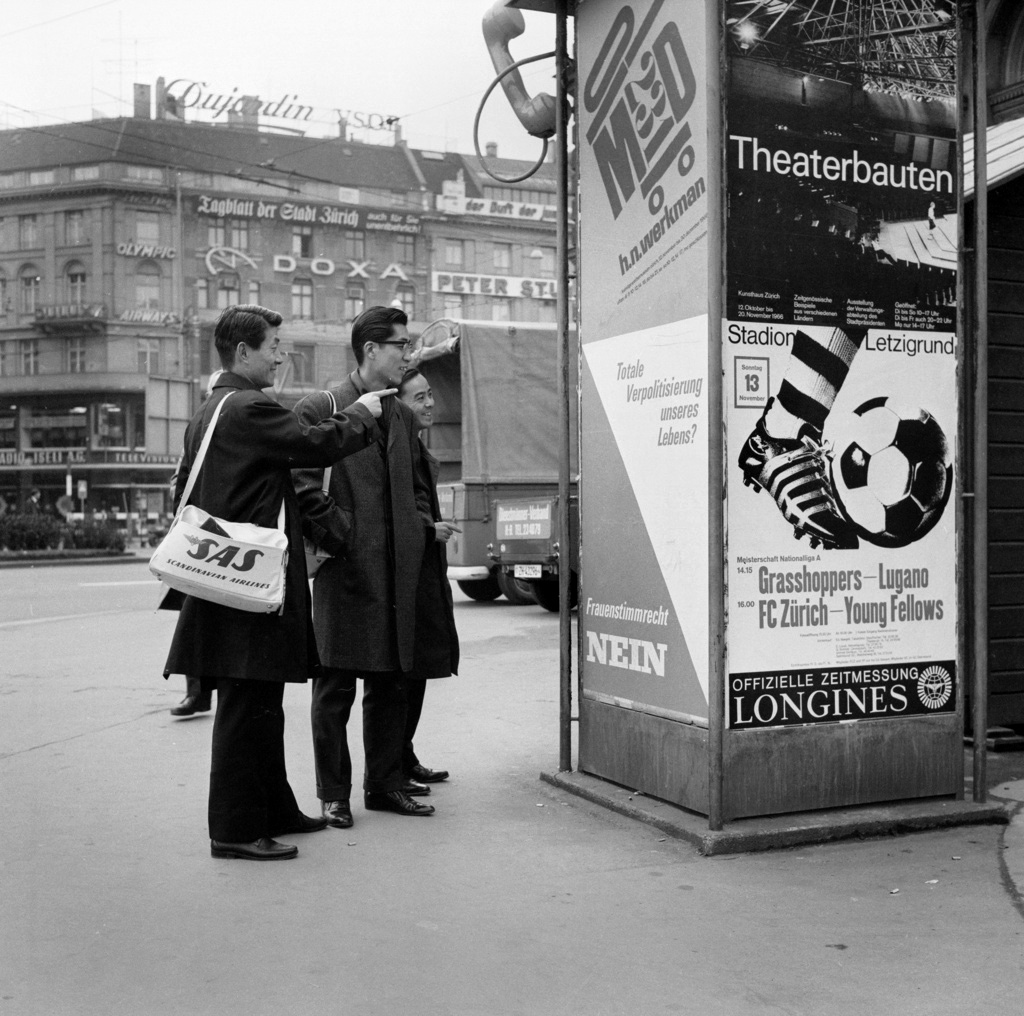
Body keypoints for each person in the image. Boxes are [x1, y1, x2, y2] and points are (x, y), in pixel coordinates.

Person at [161, 304, 392, 862]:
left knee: (263, 701)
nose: (281, 354)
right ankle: (235, 830)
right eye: (274, 345)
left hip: (240, 579)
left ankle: (274, 807)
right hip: (247, 585)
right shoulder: (247, 408)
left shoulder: (212, 409)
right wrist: (362, 413)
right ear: (243, 353)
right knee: (245, 705)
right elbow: (313, 444)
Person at [293, 306, 437, 827]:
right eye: (401, 345)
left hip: (397, 572)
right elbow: (303, 485)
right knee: (335, 688)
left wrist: (415, 537)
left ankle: (384, 785)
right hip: (346, 570)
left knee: (392, 684)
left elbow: (418, 489)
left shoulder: (400, 413)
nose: (409, 354)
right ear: (371, 350)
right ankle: (334, 793)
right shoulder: (322, 406)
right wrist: (344, 536)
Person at [396, 369, 460, 784]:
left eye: (431, 395)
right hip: (408, 574)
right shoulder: (397, 446)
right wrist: (427, 528)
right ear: (399, 403)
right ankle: (396, 763)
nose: (430, 404)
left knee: (418, 672)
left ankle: (405, 755)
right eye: (419, 398)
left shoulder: (415, 444)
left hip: (425, 571)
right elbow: (398, 506)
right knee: (404, 678)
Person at [169, 370, 224, 720]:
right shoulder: (199, 426)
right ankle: (197, 692)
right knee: (195, 618)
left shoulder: (229, 421)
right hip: (199, 537)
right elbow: (184, 477)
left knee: (205, 619)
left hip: (224, 538)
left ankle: (203, 692)